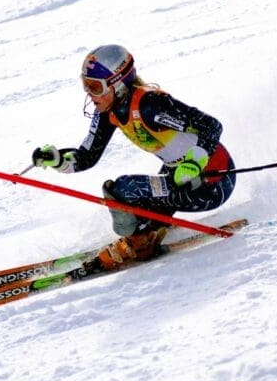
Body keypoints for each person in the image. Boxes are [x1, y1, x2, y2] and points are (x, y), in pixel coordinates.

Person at [31, 44, 236, 273]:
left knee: (124, 189)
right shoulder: (108, 112)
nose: (89, 93)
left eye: (95, 86)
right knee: (134, 204)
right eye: (85, 84)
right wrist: (58, 160)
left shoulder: (150, 105)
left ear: (117, 84)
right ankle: (146, 234)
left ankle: (139, 242)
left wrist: (194, 161)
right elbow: (87, 156)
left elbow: (211, 126)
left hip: (212, 181)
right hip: (177, 179)